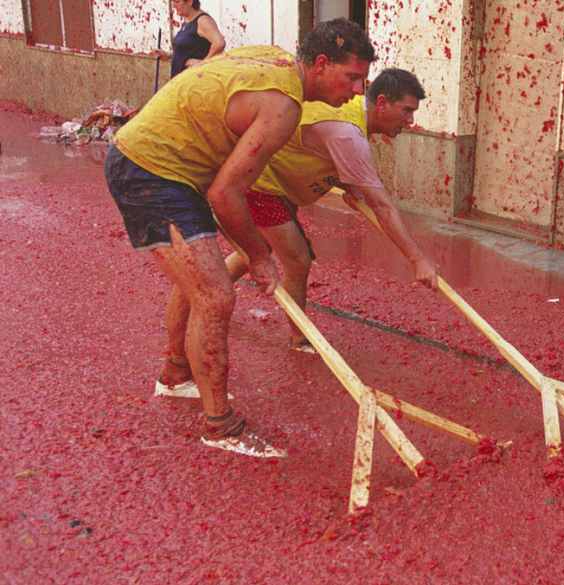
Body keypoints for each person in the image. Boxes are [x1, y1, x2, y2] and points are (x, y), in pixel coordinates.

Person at [105, 19, 377, 458]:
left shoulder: (276, 60)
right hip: (151, 169)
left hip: (166, 167)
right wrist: (258, 255)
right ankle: (221, 428)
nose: (356, 90)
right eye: (351, 78)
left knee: (201, 279)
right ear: (322, 65)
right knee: (215, 295)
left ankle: (176, 375)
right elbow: (226, 193)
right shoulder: (284, 106)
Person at [219, 68, 439, 352]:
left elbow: (321, 148)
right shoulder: (347, 133)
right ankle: (299, 338)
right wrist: (418, 259)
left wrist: (348, 183)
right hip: (263, 184)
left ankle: (206, 293)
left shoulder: (352, 114)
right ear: (382, 103)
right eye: (407, 110)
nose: (410, 121)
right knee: (297, 261)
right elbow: (382, 206)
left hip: (281, 180)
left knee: (256, 248)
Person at [167, 0, 225, 78]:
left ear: (190, 2)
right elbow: (187, 49)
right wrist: (167, 54)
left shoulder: (202, 20)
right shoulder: (188, 20)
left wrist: (203, 62)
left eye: (177, 2)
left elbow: (219, 43)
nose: (173, 5)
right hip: (182, 80)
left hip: (195, 80)